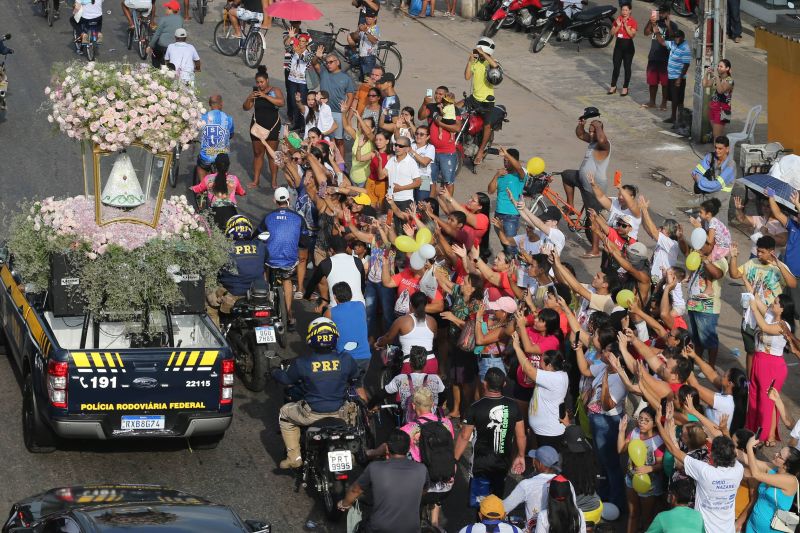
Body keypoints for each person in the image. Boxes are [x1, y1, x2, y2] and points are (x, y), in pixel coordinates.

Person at [272, 318, 358, 469]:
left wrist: (274, 371)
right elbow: (355, 376)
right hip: (341, 413)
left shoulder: (303, 363)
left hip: (312, 415)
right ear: (335, 338)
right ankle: (351, 453)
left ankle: (294, 458)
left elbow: (286, 380)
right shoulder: (346, 359)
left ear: (311, 339)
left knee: (284, 413)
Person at [656, 405, 744, 533]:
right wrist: (725, 431)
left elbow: (673, 450)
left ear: (712, 455)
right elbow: (733, 451)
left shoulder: (705, 472)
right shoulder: (738, 470)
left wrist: (659, 422)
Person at [455, 368, 526, 506]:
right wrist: (521, 455)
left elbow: (464, 436)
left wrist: (454, 460)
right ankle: (495, 526)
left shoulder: (475, 407)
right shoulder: (513, 406)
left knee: (480, 505)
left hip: (480, 465)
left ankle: (481, 526)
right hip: (502, 464)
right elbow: (521, 435)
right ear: (504, 384)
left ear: (484, 383)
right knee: (496, 504)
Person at [730, 235, 796, 380]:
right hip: (749, 317)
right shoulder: (752, 263)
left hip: (768, 319)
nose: (758, 254)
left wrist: (779, 265)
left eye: (762, 252)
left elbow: (793, 284)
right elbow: (734, 274)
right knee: (750, 352)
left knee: (764, 354)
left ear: (771, 251)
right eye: (758, 251)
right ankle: (749, 383)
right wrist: (733, 257)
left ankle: (763, 382)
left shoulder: (779, 267)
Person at [337, 429, 429, 533]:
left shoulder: (375, 467)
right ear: (408, 448)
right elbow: (423, 491)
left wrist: (345, 504)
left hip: (379, 528)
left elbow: (355, 490)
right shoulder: (421, 469)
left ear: (386, 448)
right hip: (412, 529)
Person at [206, 215, 267, 326]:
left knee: (209, 305)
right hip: (256, 294)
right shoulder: (260, 245)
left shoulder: (224, 248)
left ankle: (215, 339)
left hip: (233, 295)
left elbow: (212, 268)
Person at [257, 187, 304, 330]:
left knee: (263, 266)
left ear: (274, 201)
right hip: (289, 260)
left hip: (271, 260)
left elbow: (258, 233)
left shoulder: (268, 217)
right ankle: (289, 315)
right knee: (287, 280)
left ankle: (265, 299)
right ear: (289, 199)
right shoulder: (298, 218)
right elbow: (304, 239)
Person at [511, 339, 568, 450]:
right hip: (543, 432)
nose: (539, 363)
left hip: (549, 433)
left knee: (548, 464)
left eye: (542, 360)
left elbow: (528, 369)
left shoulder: (554, 378)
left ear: (550, 365)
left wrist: (517, 347)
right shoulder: (553, 374)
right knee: (541, 463)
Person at [618, 407, 665, 533]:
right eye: (640, 419)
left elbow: (661, 464)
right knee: (633, 514)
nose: (641, 423)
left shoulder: (658, 440)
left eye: (646, 420)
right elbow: (621, 450)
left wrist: (649, 468)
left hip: (649, 483)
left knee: (647, 518)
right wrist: (621, 431)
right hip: (630, 478)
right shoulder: (634, 432)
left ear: (654, 423)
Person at [742, 436, 800, 532]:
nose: (775, 454)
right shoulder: (773, 469)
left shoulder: (791, 481)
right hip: (751, 525)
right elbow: (748, 460)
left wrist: (749, 447)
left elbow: (756, 474)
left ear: (786, 465)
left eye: (779, 456)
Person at [685, 238, 728, 367]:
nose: (702, 246)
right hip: (693, 303)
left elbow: (717, 274)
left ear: (714, 245)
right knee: (696, 338)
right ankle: (698, 362)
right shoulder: (697, 255)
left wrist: (705, 260)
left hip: (708, 307)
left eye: (706, 243)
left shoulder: (720, 260)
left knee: (709, 339)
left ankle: (711, 367)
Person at [561, 112, 611, 218]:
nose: (591, 135)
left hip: (594, 186)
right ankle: (570, 206)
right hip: (582, 179)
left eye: (593, 132)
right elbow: (580, 134)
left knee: (593, 218)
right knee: (566, 175)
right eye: (590, 132)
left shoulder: (604, 145)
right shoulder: (593, 141)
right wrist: (581, 124)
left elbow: (602, 139)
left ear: (600, 131)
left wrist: (597, 126)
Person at [243, 66, 285, 190]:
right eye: (258, 82)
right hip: (257, 128)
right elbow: (246, 107)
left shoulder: (275, 90)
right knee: (257, 154)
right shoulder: (255, 92)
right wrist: (250, 98)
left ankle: (273, 182)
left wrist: (265, 96)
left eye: (262, 82)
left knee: (272, 155)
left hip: (272, 127)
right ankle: (256, 181)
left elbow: (281, 103)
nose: (260, 84)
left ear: (267, 80)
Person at [326, 282, 371, 393]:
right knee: (359, 386)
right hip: (365, 357)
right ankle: (367, 410)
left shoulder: (330, 313)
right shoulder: (360, 305)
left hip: (344, 359)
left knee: (338, 388)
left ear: (335, 297)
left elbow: (326, 336)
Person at [503, 445, 563, 529]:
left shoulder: (527, 484)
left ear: (540, 463)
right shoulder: (566, 483)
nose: (533, 462)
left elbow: (504, 508)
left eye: (535, 459)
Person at [311, 48, 356, 158]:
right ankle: (325, 160)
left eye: (331, 62)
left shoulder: (346, 78)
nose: (328, 64)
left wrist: (345, 110)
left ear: (338, 62)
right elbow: (314, 62)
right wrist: (317, 56)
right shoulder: (323, 72)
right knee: (323, 138)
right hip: (323, 112)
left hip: (338, 113)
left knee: (339, 140)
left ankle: (341, 166)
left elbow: (351, 96)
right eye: (326, 62)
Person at [465, 37, 504, 166]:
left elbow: (496, 66)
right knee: (456, 109)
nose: (479, 54)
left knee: (487, 125)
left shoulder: (490, 63)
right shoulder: (476, 63)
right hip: (474, 98)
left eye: (482, 52)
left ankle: (481, 151)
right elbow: (467, 77)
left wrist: (483, 55)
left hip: (486, 101)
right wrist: (470, 62)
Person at [303, 235, 366, 308]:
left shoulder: (326, 263)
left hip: (337, 307)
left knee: (323, 312)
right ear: (346, 248)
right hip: (360, 307)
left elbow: (313, 282)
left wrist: (307, 296)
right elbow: (362, 285)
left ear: (331, 249)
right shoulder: (358, 261)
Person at [561, 425, 603, 524]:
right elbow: (599, 479)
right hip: (596, 509)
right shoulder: (592, 460)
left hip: (575, 514)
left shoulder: (562, 464)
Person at [488, 147, 525, 254]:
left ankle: (514, 266)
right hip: (498, 214)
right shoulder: (501, 174)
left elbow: (518, 166)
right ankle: (508, 265)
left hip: (511, 216)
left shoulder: (520, 175)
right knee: (504, 243)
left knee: (510, 246)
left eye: (508, 160)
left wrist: (507, 154)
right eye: (504, 160)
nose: (505, 162)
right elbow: (490, 191)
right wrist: (496, 176)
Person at [642, 5, 676, 111]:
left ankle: (664, 103)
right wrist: (650, 21)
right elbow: (646, 33)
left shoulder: (673, 25)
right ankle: (652, 102)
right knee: (652, 81)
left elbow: (674, 38)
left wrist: (669, 26)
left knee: (665, 83)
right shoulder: (655, 23)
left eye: (664, 13)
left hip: (665, 59)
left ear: (668, 13)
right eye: (660, 12)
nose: (661, 15)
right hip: (653, 57)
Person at [656, 29, 691, 127]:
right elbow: (662, 42)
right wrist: (656, 31)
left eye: (678, 37)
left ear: (682, 38)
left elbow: (686, 65)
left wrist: (680, 78)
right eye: (675, 37)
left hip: (678, 77)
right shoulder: (673, 44)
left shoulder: (685, 48)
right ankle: (673, 117)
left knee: (678, 99)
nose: (676, 39)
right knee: (672, 98)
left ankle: (679, 120)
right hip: (671, 76)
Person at [197, 95, 235, 183]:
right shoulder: (229, 119)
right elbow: (231, 134)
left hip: (207, 156)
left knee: (201, 166)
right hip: (222, 157)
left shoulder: (203, 118)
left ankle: (203, 188)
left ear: (210, 104)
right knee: (222, 171)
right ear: (221, 104)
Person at [690, 136, 736, 201]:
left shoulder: (731, 165)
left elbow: (716, 186)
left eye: (720, 148)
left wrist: (699, 181)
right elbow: (695, 172)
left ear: (727, 149)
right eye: (716, 148)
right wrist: (707, 183)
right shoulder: (710, 156)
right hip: (706, 200)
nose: (717, 151)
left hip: (720, 204)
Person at [285, 30, 313, 133]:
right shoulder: (294, 49)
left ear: (306, 43)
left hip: (302, 82)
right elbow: (287, 47)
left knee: (302, 102)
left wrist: (296, 50)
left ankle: (303, 124)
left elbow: (305, 59)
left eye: (303, 41)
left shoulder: (309, 53)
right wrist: (290, 37)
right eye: (299, 41)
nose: (301, 43)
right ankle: (296, 123)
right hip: (292, 79)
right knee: (293, 102)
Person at [608, 4, 637, 97]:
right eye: (623, 10)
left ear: (630, 11)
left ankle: (625, 87)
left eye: (626, 10)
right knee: (616, 66)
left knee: (627, 67)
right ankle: (613, 86)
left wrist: (625, 25)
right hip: (618, 46)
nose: (624, 12)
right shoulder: (618, 20)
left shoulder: (633, 21)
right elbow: (612, 33)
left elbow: (632, 35)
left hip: (628, 46)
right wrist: (618, 25)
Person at [703, 59, 734, 139]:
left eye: (721, 66)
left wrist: (716, 77)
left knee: (717, 136)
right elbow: (705, 84)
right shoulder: (717, 78)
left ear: (727, 68)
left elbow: (720, 91)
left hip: (723, 110)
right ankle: (718, 150)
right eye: (718, 66)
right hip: (714, 107)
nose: (718, 68)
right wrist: (706, 73)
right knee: (715, 135)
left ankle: (720, 151)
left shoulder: (730, 81)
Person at [146, 0, 182, 67]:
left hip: (163, 45)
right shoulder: (180, 19)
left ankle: (156, 70)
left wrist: (150, 46)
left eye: (167, 8)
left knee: (155, 55)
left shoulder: (164, 19)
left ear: (170, 9)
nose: (165, 9)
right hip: (175, 45)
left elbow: (157, 34)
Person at [409, 125, 435, 202]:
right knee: (410, 205)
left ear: (427, 137)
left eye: (421, 134)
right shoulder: (411, 144)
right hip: (411, 178)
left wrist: (412, 151)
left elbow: (425, 162)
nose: (418, 136)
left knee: (421, 205)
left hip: (424, 179)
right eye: (417, 133)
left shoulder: (430, 147)